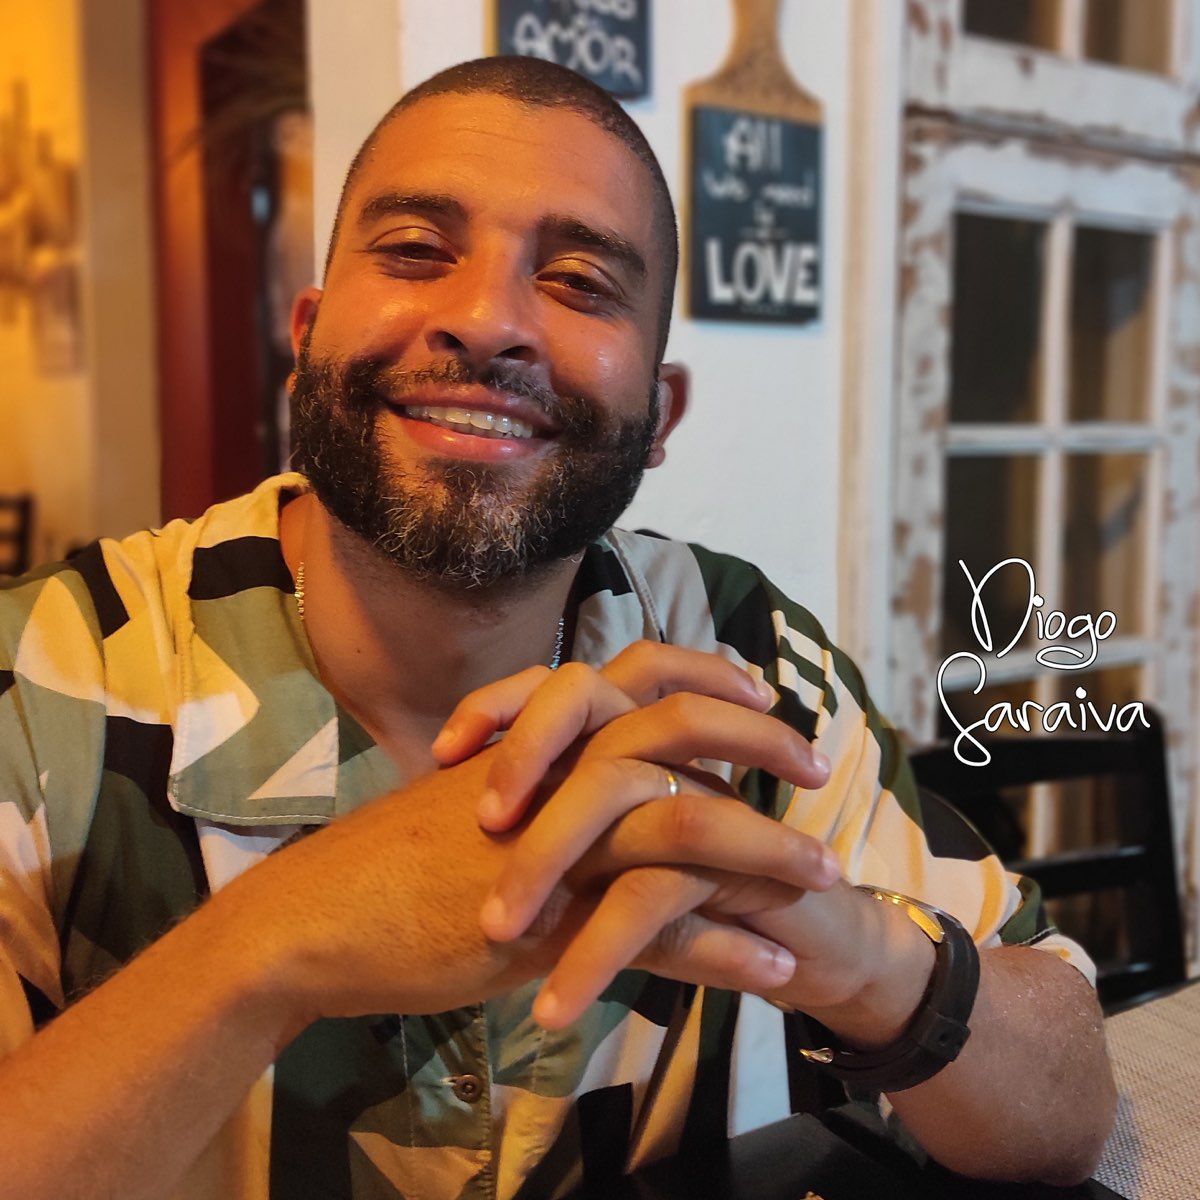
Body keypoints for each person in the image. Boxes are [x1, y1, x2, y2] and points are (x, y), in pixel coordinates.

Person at [0, 56, 1114, 1200]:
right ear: (310, 334)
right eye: (415, 250)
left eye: (580, 281)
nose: (486, 322)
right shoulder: (41, 691)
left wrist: (859, 952)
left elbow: (1072, 1104)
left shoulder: (747, 655)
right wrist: (275, 945)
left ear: (659, 414)